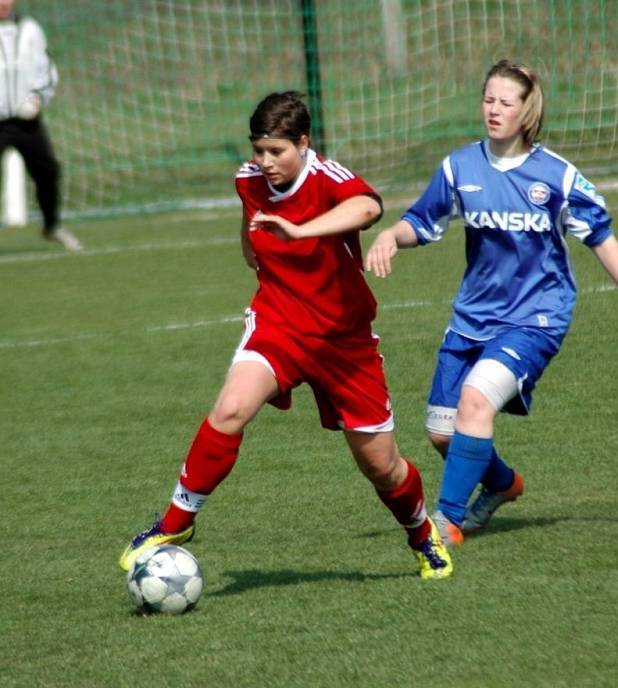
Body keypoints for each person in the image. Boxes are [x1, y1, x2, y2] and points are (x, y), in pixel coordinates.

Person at [119, 91, 452, 580]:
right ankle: (175, 522)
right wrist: (252, 244)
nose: (266, 162)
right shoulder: (248, 180)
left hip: (344, 340)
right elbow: (249, 225)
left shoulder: (327, 177)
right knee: (231, 408)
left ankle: (423, 534)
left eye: (277, 151)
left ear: (304, 142)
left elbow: (367, 207)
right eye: (259, 151)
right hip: (279, 323)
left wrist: (299, 232)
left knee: (382, 467)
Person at [366, 59, 618, 546]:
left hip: (536, 318)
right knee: (443, 434)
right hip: (473, 317)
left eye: (506, 102)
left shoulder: (557, 177)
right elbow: (422, 220)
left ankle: (447, 520)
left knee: (475, 403)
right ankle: (502, 484)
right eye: (488, 99)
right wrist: (390, 237)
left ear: (527, 111)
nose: (494, 109)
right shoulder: (460, 167)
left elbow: (600, 237)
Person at [0, 0, 81, 250]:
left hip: (27, 121)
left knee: (47, 170)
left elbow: (45, 69)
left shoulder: (30, 29)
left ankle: (52, 225)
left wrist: (37, 97)